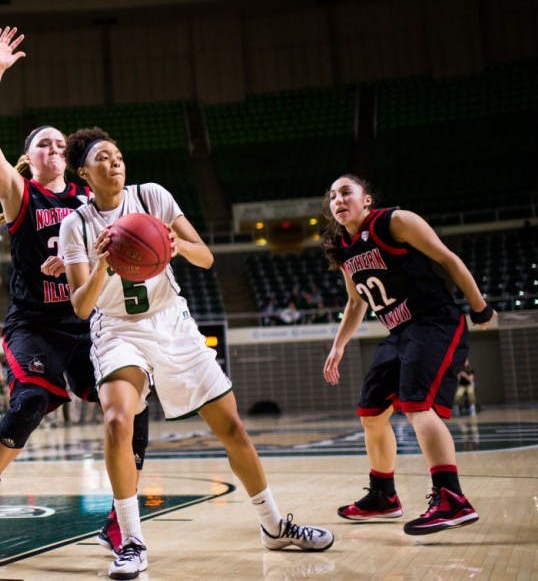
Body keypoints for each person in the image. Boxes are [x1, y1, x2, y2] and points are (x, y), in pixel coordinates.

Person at [59, 127, 333, 580]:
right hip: (118, 331)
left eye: (118, 154)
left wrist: (173, 243)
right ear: (85, 172)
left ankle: (274, 525)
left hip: (172, 322)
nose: (115, 162)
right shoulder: (78, 225)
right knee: (116, 421)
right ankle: (130, 541)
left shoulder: (152, 196)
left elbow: (205, 257)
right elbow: (81, 305)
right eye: (104, 158)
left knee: (233, 429)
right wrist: (106, 261)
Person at [0, 28, 150, 553]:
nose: (54, 149)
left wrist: (88, 258)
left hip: (86, 325)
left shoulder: (90, 199)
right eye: (44, 143)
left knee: (134, 406)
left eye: (62, 144)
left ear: (73, 161)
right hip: (34, 325)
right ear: (29, 159)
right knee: (32, 398)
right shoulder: (20, 194)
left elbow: (126, 244)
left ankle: (118, 517)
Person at [321, 174, 494, 535]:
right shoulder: (345, 247)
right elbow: (355, 302)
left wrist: (480, 308)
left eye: (346, 192)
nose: (338, 200)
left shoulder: (394, 221)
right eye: (332, 196)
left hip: (434, 322)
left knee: (416, 405)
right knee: (371, 411)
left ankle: (452, 499)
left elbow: (448, 259)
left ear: (367, 199)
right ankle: (384, 496)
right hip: (399, 332)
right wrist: (338, 345)